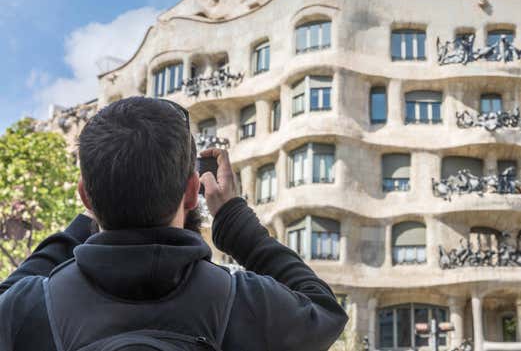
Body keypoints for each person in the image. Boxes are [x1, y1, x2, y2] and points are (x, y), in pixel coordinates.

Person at [0, 97, 348, 350]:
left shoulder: (28, 308)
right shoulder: (245, 303)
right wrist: (234, 221)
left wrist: (79, 227)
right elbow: (325, 310)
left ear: (85, 197)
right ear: (193, 191)